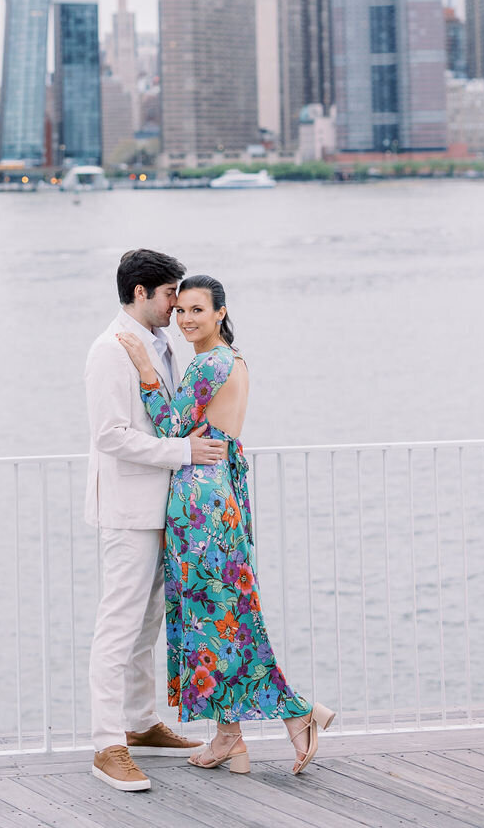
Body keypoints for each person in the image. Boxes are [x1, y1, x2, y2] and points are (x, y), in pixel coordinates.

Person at [117, 273, 334, 777]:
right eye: (183, 310)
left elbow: (171, 428)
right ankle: (229, 736)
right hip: (220, 494)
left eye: (199, 310)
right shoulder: (231, 359)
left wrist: (146, 367)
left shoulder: (208, 363)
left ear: (220, 314)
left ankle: (296, 711)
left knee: (212, 617)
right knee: (222, 617)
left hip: (201, 501)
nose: (187, 319)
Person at [84, 249, 230, 793]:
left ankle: (142, 724)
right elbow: (110, 436)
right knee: (118, 626)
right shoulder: (109, 351)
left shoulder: (162, 344)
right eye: (171, 293)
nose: (178, 303)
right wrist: (183, 454)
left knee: (147, 624)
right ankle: (107, 746)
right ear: (141, 293)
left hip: (166, 505)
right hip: (129, 511)